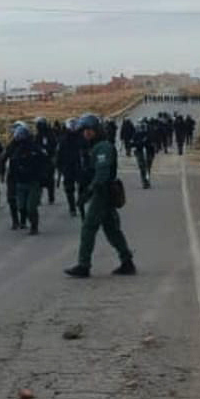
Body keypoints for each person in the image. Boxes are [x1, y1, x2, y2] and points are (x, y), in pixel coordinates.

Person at [65, 114, 135, 278]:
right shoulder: (94, 147)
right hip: (101, 192)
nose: (86, 133)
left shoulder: (103, 147)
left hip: (102, 192)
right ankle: (127, 261)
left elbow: (102, 174)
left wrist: (89, 191)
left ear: (96, 130)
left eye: (89, 130)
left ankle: (84, 265)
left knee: (88, 228)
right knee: (112, 230)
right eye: (84, 131)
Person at [7, 124, 47, 234]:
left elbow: (44, 163)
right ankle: (23, 221)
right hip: (20, 182)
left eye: (21, 135)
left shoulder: (35, 149)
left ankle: (34, 226)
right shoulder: (14, 150)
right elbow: (11, 165)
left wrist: (43, 178)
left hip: (33, 182)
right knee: (21, 207)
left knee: (31, 207)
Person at [56, 118, 84, 218]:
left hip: (79, 166)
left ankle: (80, 204)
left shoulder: (82, 138)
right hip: (67, 167)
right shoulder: (63, 139)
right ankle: (72, 208)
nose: (72, 128)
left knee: (82, 187)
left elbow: (86, 151)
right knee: (69, 189)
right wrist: (59, 166)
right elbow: (59, 154)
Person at [34, 117, 58, 204]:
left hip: (49, 159)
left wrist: (49, 152)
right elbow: (35, 145)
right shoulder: (38, 135)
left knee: (50, 179)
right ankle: (38, 198)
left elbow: (54, 145)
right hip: (40, 160)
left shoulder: (50, 134)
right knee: (39, 179)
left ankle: (51, 197)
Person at [132, 120, 155, 189]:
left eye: (143, 126)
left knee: (148, 167)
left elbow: (152, 143)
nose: (142, 128)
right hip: (140, 152)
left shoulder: (149, 134)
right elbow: (132, 143)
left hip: (148, 152)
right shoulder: (136, 134)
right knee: (142, 167)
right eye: (141, 126)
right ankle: (144, 181)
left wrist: (149, 145)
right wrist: (138, 143)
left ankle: (147, 180)